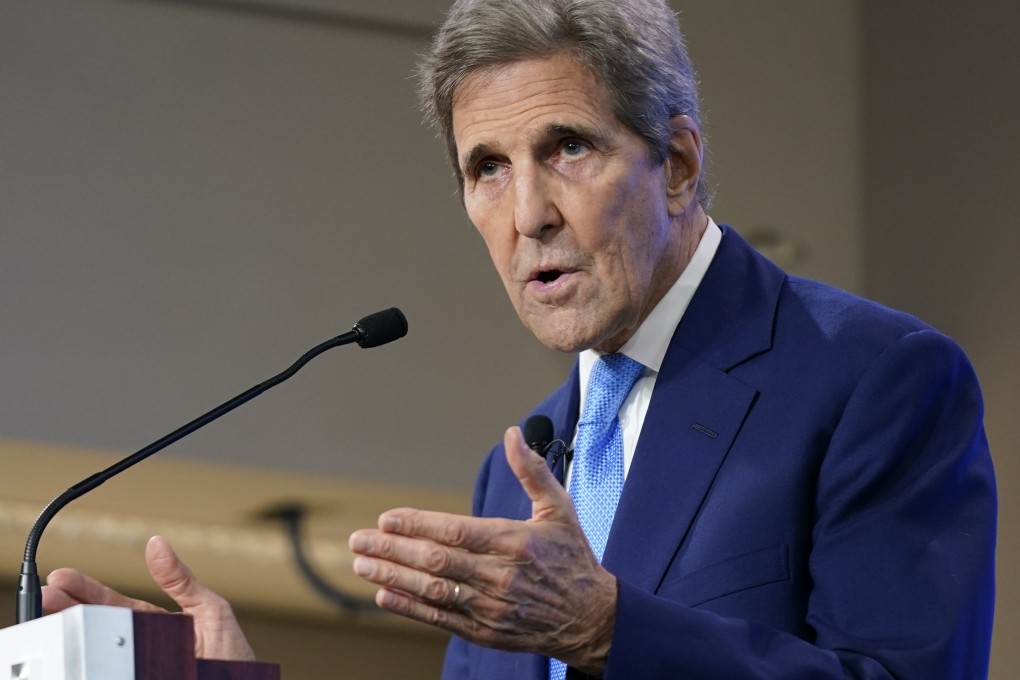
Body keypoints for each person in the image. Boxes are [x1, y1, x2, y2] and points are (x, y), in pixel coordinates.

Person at [44, 0, 997, 677]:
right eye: (487, 168)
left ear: (676, 163)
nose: (528, 213)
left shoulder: (875, 381)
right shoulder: (518, 466)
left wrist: (610, 630)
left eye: (567, 148)